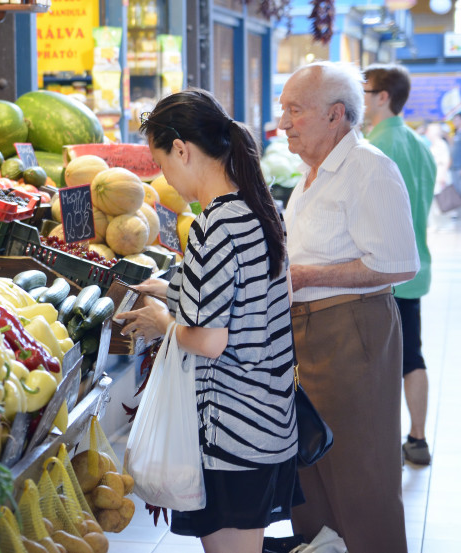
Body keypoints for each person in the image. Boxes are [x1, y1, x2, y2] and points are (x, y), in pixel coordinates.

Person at [117, 89, 300, 553]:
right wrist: (171, 289)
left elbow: (211, 340)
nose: (167, 178)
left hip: (231, 430)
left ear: (182, 149)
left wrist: (164, 322)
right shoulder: (259, 209)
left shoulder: (213, 225)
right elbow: (242, 297)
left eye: (163, 164)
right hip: (268, 419)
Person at [278, 61, 419, 553]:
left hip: (350, 330)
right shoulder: (309, 177)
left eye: (295, 110)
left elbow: (400, 263)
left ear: (336, 114)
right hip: (304, 333)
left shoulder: (368, 168)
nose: (284, 122)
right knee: (312, 468)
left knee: (361, 472)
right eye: (283, 110)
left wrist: (309, 276)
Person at [363, 64, 437, 466]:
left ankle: (381, 442)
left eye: (366, 89)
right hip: (417, 268)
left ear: (383, 96)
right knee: (413, 356)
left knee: (380, 363)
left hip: (384, 274)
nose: (361, 96)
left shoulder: (376, 148)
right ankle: (418, 438)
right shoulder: (419, 145)